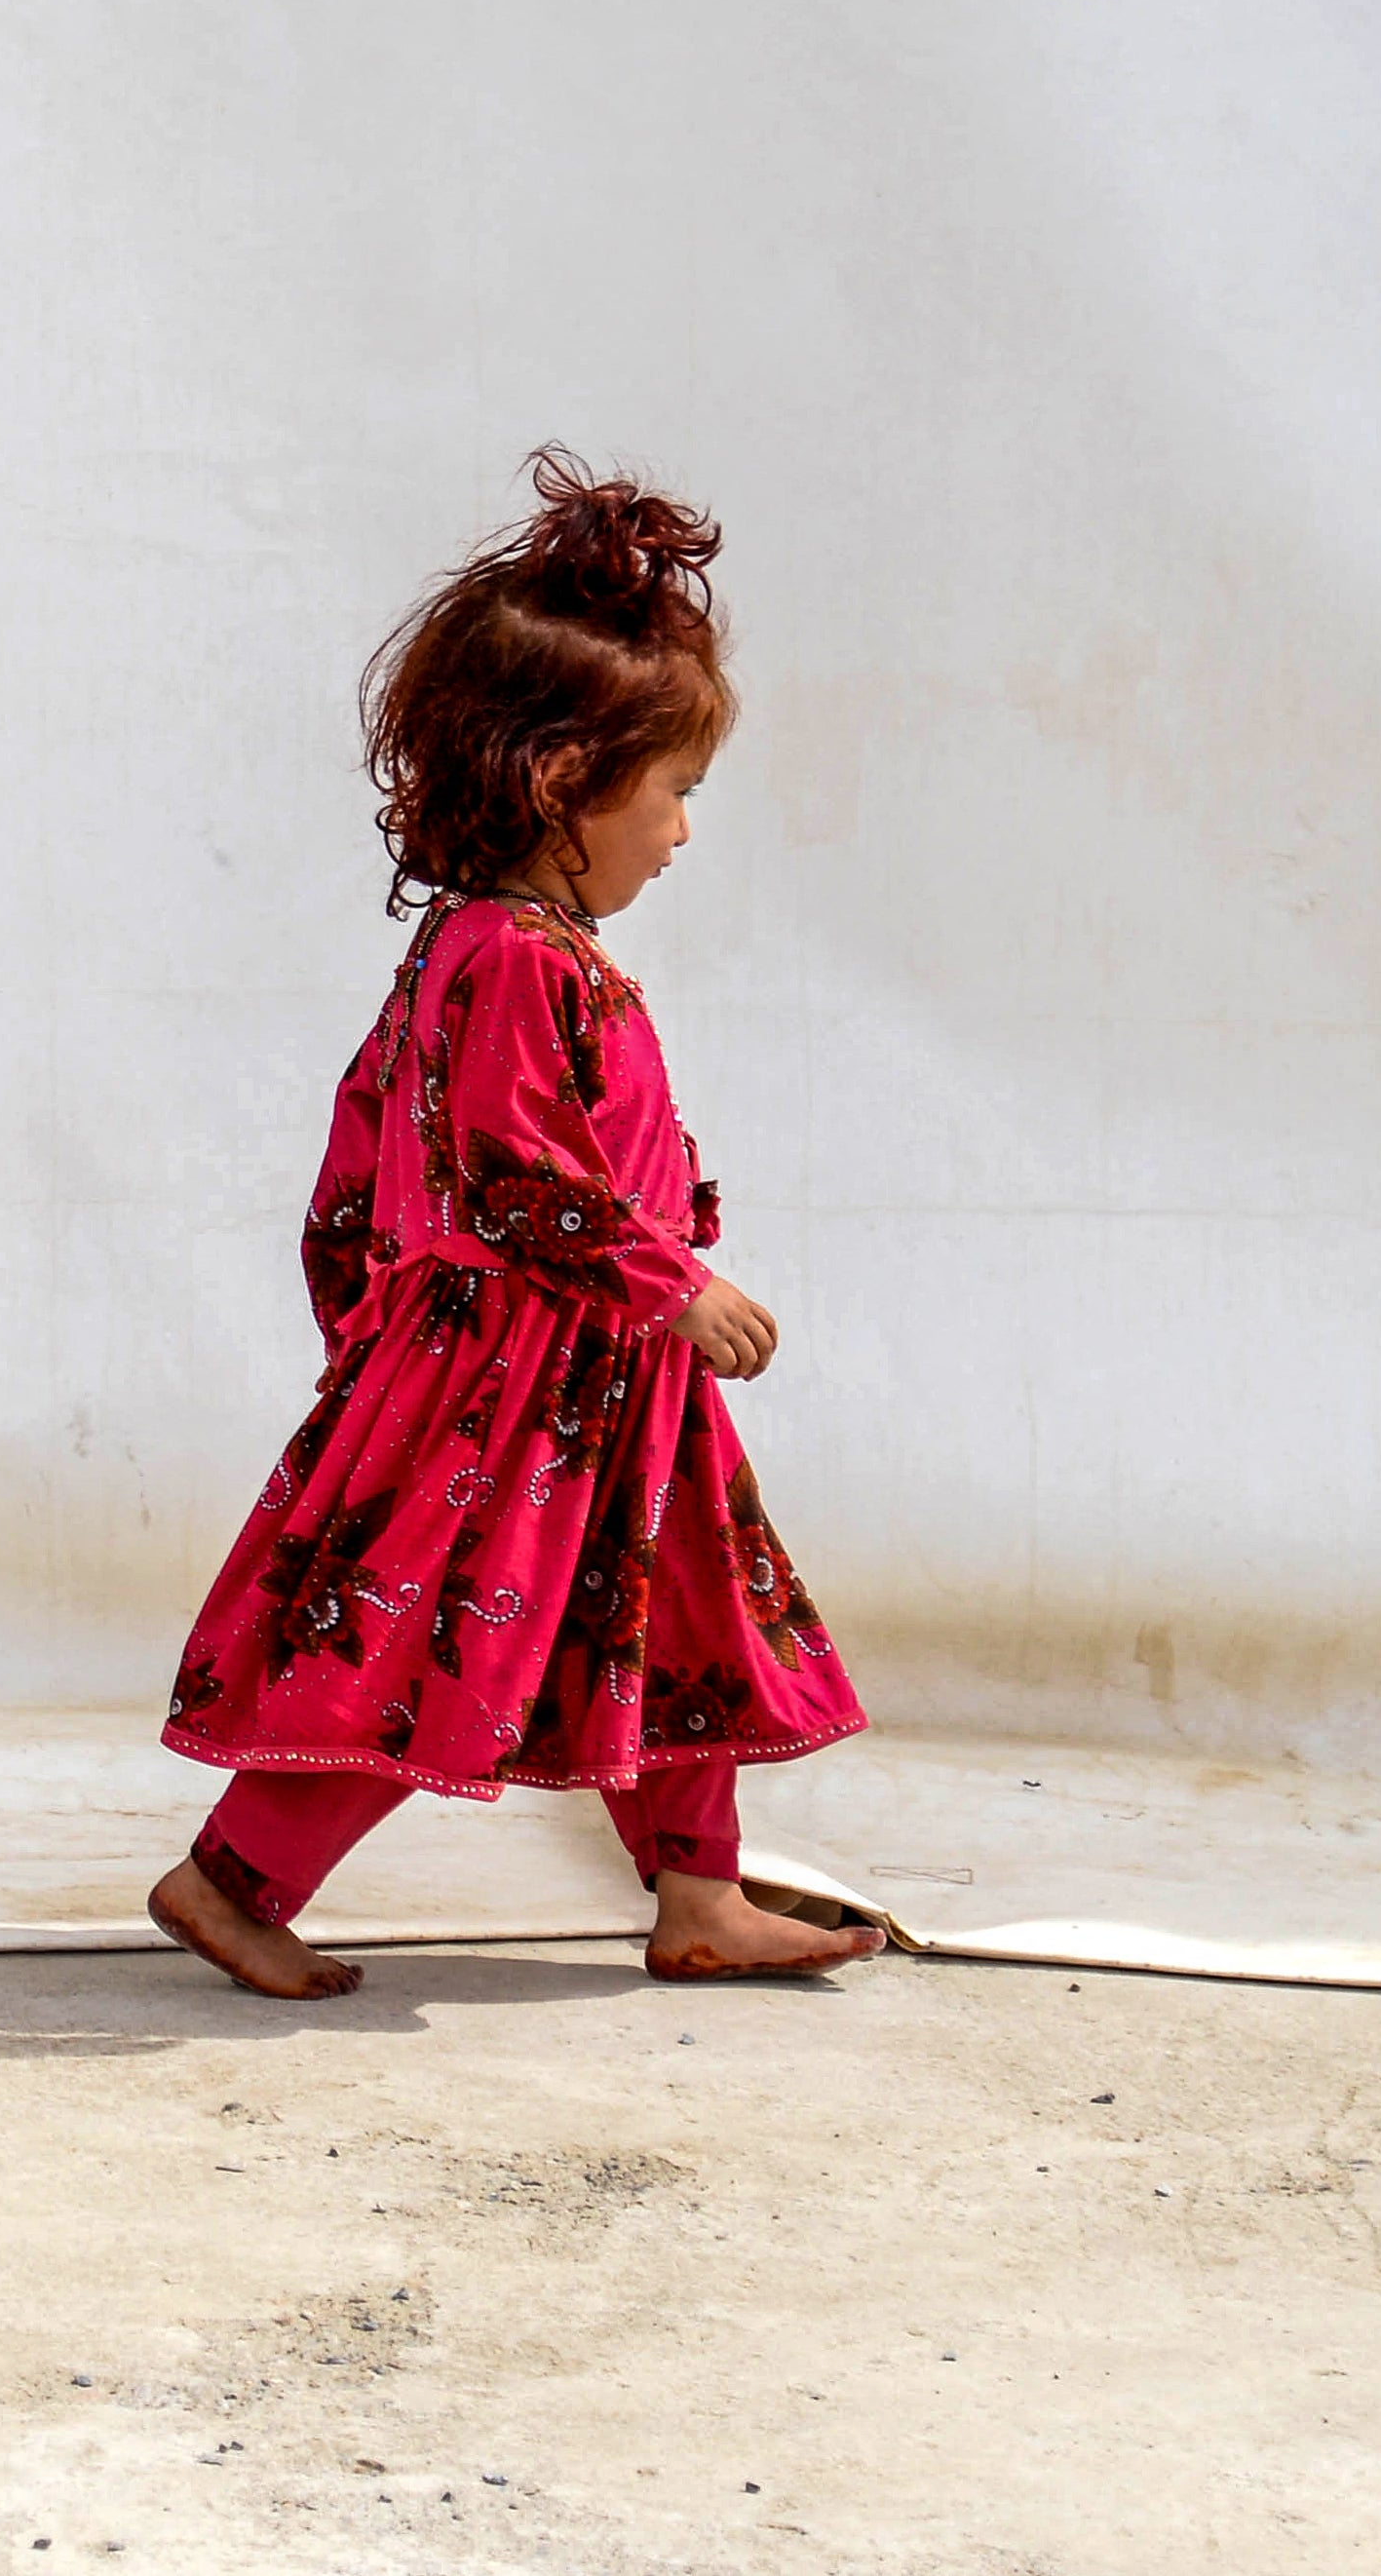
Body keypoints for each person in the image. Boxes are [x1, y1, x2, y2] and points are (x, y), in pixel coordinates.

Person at [150, 453, 878, 1997]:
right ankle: (231, 1879)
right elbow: (507, 1169)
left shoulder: (510, 953)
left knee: (676, 1614)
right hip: (523, 1392)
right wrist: (656, 1275)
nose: (681, 832)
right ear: (564, 782)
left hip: (610, 1383)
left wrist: (369, 1297)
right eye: (672, 793)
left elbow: (358, 1163)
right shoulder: (507, 959)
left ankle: (696, 1892)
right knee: (429, 1642)